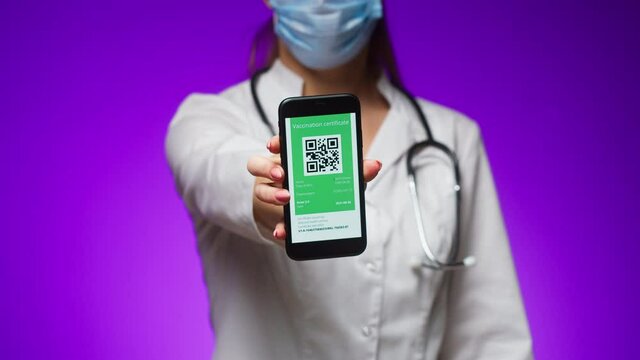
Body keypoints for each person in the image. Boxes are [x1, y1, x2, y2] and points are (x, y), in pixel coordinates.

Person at [165, 0, 533, 359]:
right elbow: (215, 173)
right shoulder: (209, 119)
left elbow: (492, 339)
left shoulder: (451, 138)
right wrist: (269, 198)